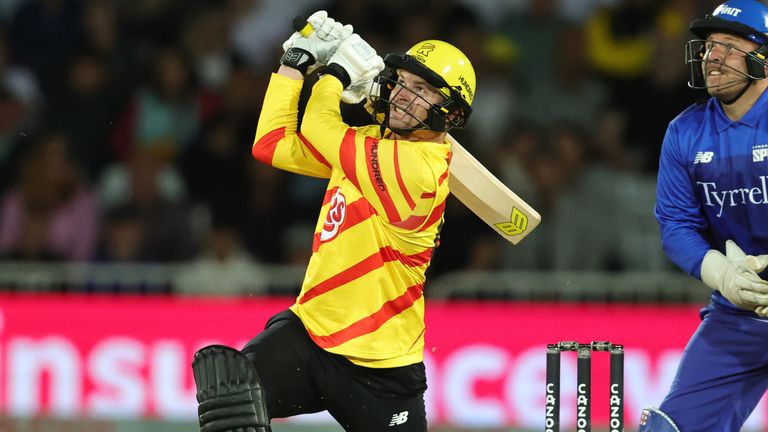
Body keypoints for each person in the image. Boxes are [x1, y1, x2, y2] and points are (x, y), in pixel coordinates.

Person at [190, 11, 476, 432]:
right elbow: (270, 145)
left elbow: (319, 125)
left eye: (423, 90)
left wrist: (334, 73)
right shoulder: (366, 146)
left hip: (383, 367)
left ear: (449, 114)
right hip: (310, 335)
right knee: (229, 391)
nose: (403, 95)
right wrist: (293, 67)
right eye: (403, 82)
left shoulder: (420, 169)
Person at [639, 1, 768, 431]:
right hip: (740, 309)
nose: (712, 58)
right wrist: (722, 274)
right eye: (709, 47)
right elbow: (677, 226)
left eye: (729, 47)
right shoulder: (685, 132)